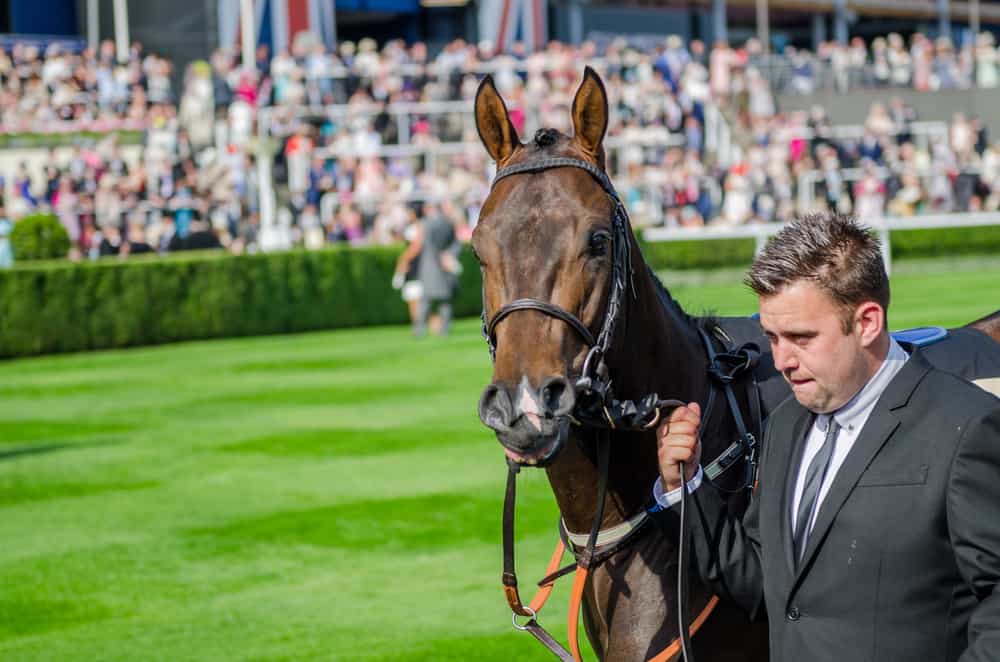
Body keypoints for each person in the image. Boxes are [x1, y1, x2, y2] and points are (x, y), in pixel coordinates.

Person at [653, 214, 1000, 661]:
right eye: (772, 338)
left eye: (801, 337)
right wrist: (685, 487)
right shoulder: (784, 425)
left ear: (868, 322)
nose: (781, 361)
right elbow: (765, 583)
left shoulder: (969, 427)